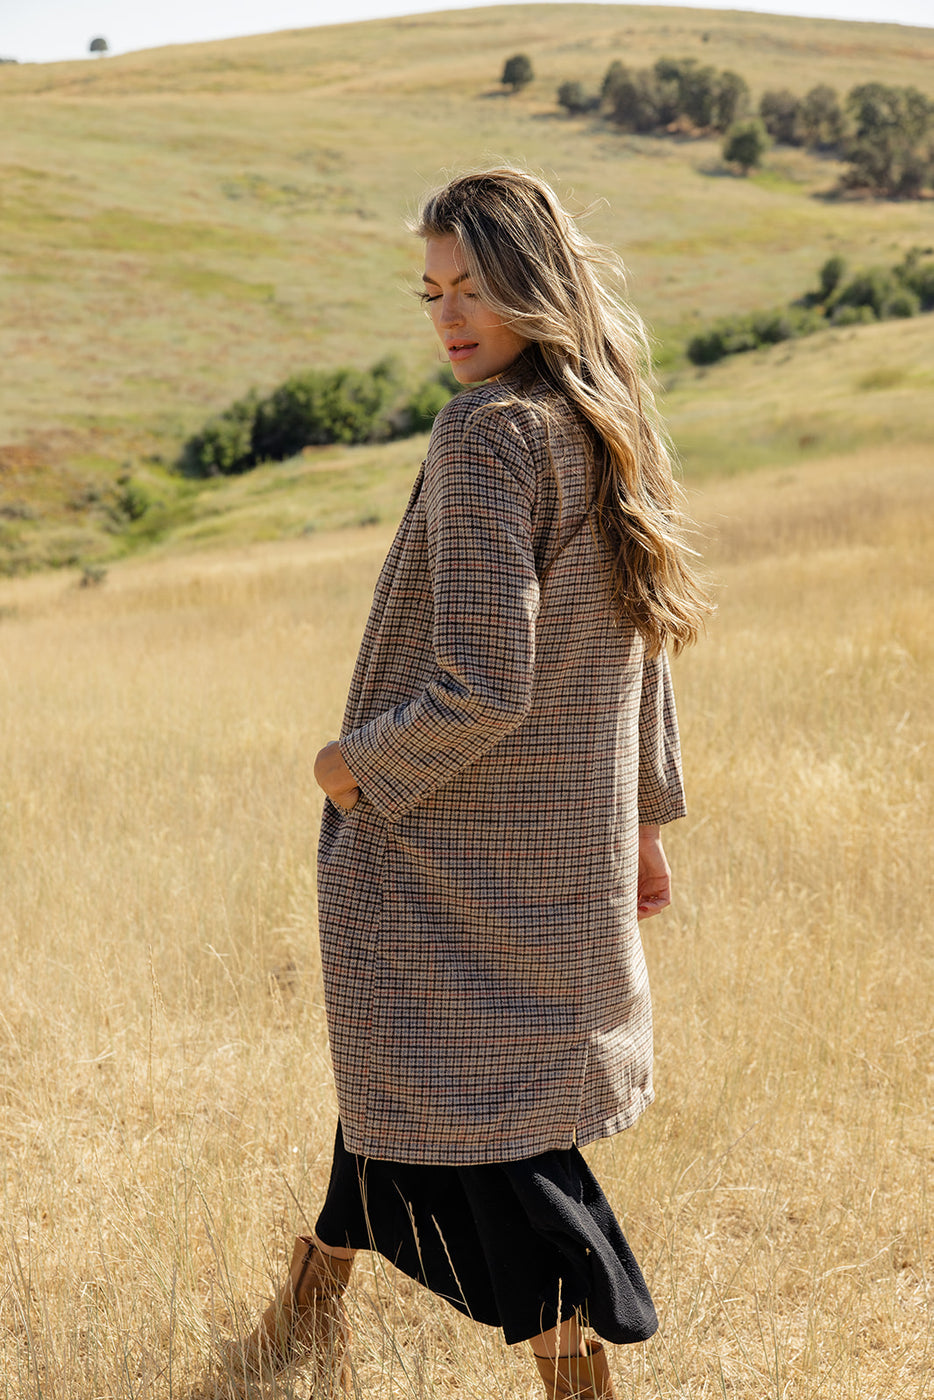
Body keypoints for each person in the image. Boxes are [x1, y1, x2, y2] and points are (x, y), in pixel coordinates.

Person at [227, 167, 710, 1400]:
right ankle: (310, 1300)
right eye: (431, 290)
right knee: (416, 1071)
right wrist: (643, 822)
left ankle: (575, 1371)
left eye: (474, 290)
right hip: (556, 853)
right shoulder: (607, 421)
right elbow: (643, 646)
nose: (447, 317)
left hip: (450, 847)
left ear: (534, 286)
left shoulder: (489, 431)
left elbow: (483, 684)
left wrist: (348, 768)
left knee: (485, 1124)